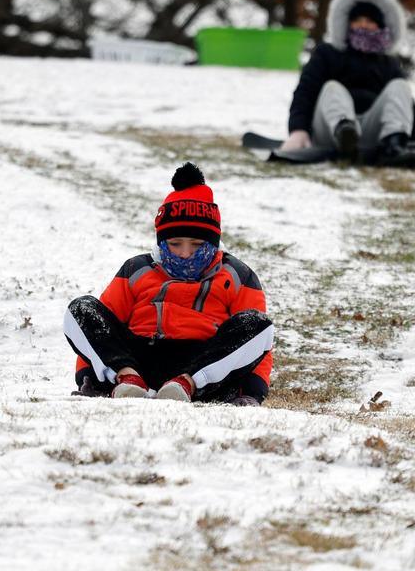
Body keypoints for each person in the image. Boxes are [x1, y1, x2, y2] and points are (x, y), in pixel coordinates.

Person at [63, 162, 274, 405]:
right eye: (175, 244)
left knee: (259, 324)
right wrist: (88, 378)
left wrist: (252, 391)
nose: (185, 253)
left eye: (196, 245)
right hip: (137, 361)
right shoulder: (136, 269)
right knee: (81, 309)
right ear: (162, 242)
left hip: (201, 367)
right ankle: (128, 381)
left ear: (214, 242)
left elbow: (258, 347)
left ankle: (185, 384)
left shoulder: (238, 275)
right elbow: (101, 331)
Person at [281, 0, 415, 167]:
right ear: (348, 23)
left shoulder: (388, 64)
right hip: (329, 130)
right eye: (358, 20)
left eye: (369, 21)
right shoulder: (327, 54)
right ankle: (345, 135)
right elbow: (305, 93)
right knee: (332, 88)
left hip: (370, 130)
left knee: (400, 86)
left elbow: (404, 103)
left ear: (380, 26)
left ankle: (394, 144)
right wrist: (298, 131)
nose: (363, 26)